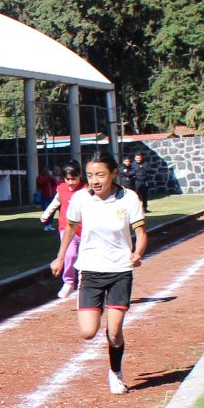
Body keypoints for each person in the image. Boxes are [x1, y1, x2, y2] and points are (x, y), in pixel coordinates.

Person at [52, 150, 147, 395]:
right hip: (91, 271)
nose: (95, 180)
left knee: (114, 333)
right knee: (87, 332)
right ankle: (107, 323)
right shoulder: (81, 199)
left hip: (119, 271)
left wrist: (137, 253)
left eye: (101, 175)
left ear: (113, 173)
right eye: (91, 175)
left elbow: (142, 233)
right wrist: (61, 257)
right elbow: (70, 230)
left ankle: (115, 372)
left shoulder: (129, 198)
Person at [49, 163, 83, 299]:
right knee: (70, 255)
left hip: (84, 229)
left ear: (80, 176)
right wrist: (47, 214)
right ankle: (68, 282)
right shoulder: (61, 189)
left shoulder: (86, 189)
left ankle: (83, 284)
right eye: (67, 179)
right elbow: (55, 202)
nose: (71, 182)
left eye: (74, 179)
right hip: (66, 228)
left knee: (85, 257)